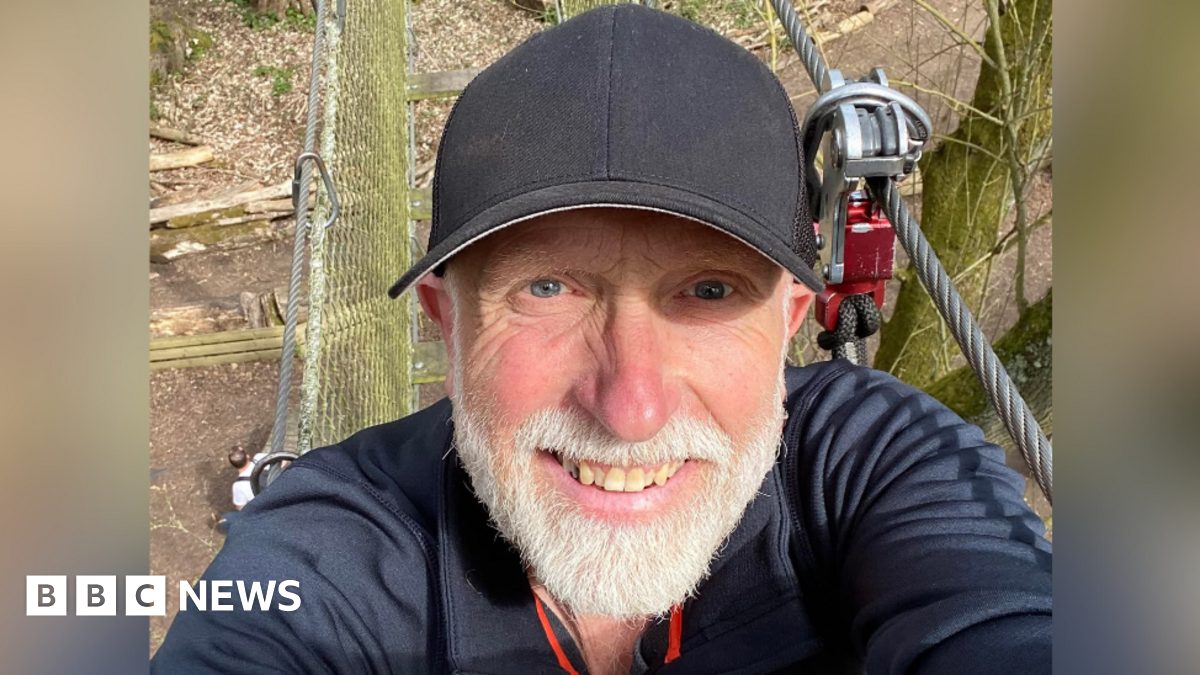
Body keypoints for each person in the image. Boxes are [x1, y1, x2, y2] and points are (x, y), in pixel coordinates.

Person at [153, 6, 1051, 674]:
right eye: (548, 288)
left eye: (707, 290)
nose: (630, 408)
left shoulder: (876, 462)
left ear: (787, 325)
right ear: (446, 321)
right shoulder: (336, 541)